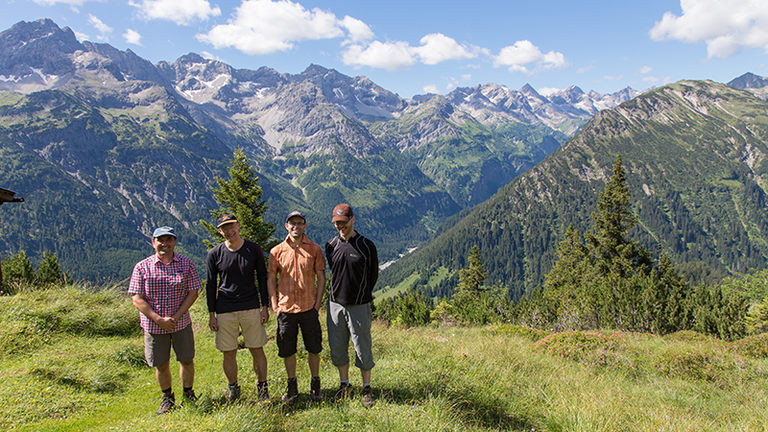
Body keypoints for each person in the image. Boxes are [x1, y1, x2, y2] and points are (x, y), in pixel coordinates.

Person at [129, 226, 201, 415]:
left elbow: (193, 291)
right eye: (160, 240)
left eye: (169, 239)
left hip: (181, 323)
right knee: (161, 364)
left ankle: (188, 394)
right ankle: (167, 398)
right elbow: (137, 299)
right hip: (154, 326)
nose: (164, 244)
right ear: (153, 243)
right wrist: (158, 319)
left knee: (186, 359)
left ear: (175, 242)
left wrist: (176, 317)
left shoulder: (186, 264)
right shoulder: (142, 266)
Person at [206, 214, 271, 402]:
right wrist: (212, 314)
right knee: (229, 351)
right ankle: (233, 388)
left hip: (250, 306)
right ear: (220, 231)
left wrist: (264, 306)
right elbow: (211, 284)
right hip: (225, 308)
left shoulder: (254, 249)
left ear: (238, 225)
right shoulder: (214, 254)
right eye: (224, 228)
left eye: (231, 226)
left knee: (257, 349)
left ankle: (262, 387)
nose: (229, 231)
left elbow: (262, 278)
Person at [267, 211, 326, 404]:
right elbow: (271, 279)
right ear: (286, 225)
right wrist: (275, 306)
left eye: (300, 223)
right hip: (286, 309)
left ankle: (315, 385)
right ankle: (292, 387)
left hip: (309, 307)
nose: (296, 227)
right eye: (292, 223)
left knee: (314, 348)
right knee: (287, 349)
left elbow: (321, 278)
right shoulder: (276, 251)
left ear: (305, 226)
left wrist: (317, 304)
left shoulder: (315, 249)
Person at [325, 203, 379, 407]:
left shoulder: (366, 246)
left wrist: (363, 294)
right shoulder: (330, 245)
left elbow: (373, 275)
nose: (341, 226)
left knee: (362, 347)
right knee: (338, 348)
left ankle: (366, 388)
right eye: (337, 223)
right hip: (335, 305)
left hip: (359, 305)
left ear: (352, 220)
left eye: (344, 222)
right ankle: (344, 385)